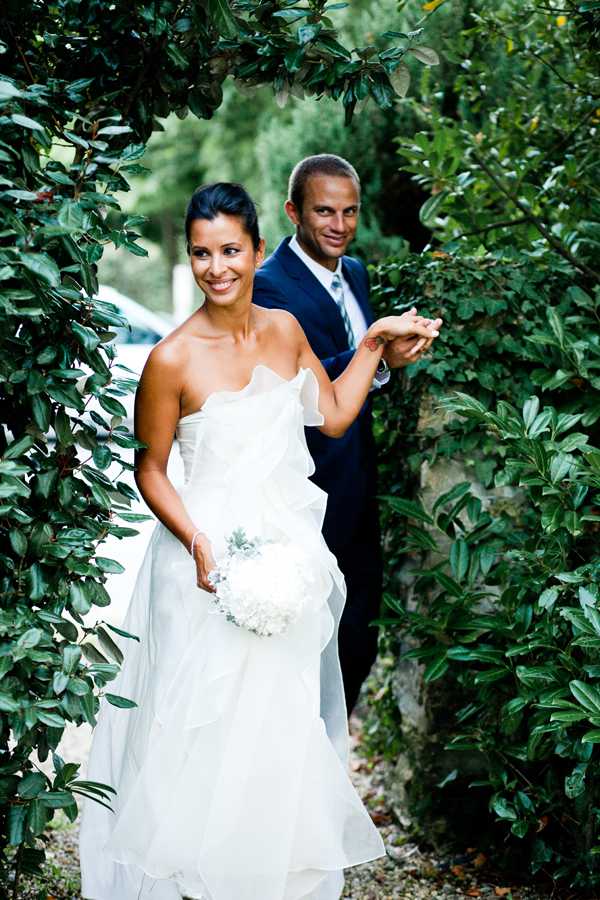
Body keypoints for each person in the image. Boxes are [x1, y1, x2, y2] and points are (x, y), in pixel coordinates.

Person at [79, 182, 441, 900]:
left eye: (231, 251)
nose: (218, 268)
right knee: (200, 732)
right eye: (203, 253)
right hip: (201, 566)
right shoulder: (172, 360)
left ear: (253, 250)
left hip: (286, 559)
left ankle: (262, 876)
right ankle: (194, 882)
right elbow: (149, 469)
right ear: (191, 255)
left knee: (274, 724)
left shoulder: (283, 331)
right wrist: (199, 542)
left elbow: (334, 415)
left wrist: (372, 342)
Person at [253, 154, 441, 711]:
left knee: (359, 634)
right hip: (302, 487)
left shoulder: (354, 273)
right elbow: (292, 384)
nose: (339, 224)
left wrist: (390, 356)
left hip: (358, 479)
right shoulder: (267, 289)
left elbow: (358, 374)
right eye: (325, 211)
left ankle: (332, 753)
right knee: (307, 636)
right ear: (293, 212)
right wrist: (373, 350)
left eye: (350, 211)